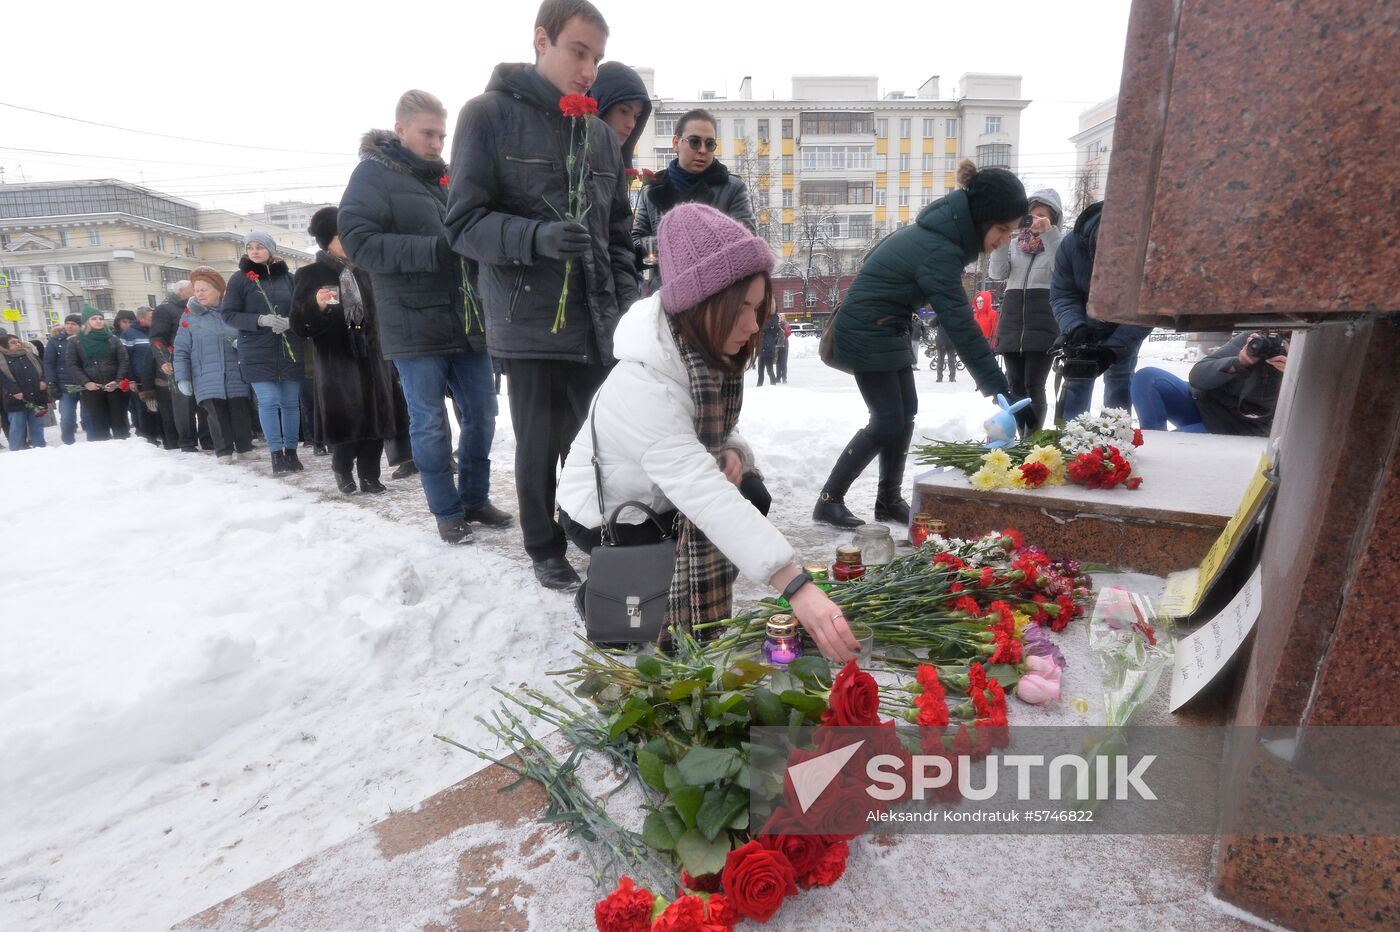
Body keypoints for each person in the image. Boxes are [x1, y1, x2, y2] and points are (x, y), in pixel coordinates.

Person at [556, 204, 860, 660]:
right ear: (702, 306)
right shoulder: (645, 385)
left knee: (750, 493)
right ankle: (597, 592)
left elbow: (716, 430)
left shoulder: (694, 353)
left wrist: (733, 449)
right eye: (740, 309)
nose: (753, 325)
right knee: (637, 619)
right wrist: (795, 583)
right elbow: (702, 492)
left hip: (662, 496)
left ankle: (661, 577)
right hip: (608, 516)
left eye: (758, 308)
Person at [445, 0, 638, 588]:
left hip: (597, 318)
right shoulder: (487, 116)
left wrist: (625, 303)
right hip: (528, 317)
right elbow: (463, 223)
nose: (589, 70)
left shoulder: (601, 138)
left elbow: (618, 233)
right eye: (579, 51)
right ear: (541, 40)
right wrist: (535, 237)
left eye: (597, 58)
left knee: (600, 440)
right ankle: (544, 546)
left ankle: (594, 531)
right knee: (539, 441)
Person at [814, 160, 1024, 528]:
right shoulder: (939, 249)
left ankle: (888, 500)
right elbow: (959, 323)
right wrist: (996, 383)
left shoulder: (944, 238)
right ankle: (829, 499)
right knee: (886, 420)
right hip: (866, 328)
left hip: (888, 327)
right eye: (1002, 229)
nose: (1004, 239)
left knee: (905, 411)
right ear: (980, 218)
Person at [341, 90, 510, 544]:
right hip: (412, 324)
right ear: (400, 130)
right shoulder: (372, 175)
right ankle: (447, 510)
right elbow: (358, 241)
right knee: (430, 421)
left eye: (441, 134)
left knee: (482, 415)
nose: (437, 142)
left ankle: (475, 498)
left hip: (465, 320)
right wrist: (436, 250)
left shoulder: (445, 180)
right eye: (427, 133)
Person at [291, 207, 414, 495]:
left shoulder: (368, 270)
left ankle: (370, 474)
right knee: (347, 419)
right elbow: (298, 324)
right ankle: (342, 467)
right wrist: (316, 307)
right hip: (338, 359)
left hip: (373, 356)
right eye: (341, 234)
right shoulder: (311, 274)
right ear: (327, 240)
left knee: (377, 418)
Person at [1049, 200, 1152, 420]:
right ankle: (1071, 440)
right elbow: (1063, 294)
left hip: (1126, 325)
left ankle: (1117, 443)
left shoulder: (1145, 250)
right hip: (1083, 325)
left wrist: (1113, 350)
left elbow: (1147, 308)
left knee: (1120, 380)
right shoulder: (1071, 246)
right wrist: (1075, 328)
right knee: (1077, 379)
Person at [632, 108, 756, 279]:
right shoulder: (652, 190)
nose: (703, 150)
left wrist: (675, 246)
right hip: (666, 294)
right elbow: (636, 248)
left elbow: (745, 247)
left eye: (710, 143)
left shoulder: (732, 188)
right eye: (695, 142)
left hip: (715, 295)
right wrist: (668, 251)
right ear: (676, 143)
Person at [221, 231, 305, 475]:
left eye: (260, 246)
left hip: (289, 348)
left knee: (290, 403)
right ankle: (276, 454)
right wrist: (261, 319)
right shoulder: (239, 279)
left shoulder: (289, 279)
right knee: (268, 401)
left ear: (271, 249)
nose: (254, 251)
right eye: (250, 247)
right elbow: (229, 314)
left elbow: (302, 310)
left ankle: (291, 452)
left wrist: (292, 322)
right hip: (256, 350)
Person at [989, 188, 1063, 434]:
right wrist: (1001, 240)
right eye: (1032, 215)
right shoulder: (1013, 245)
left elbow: (1060, 269)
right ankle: (1019, 439)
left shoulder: (1059, 243)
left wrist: (1050, 234)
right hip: (1012, 323)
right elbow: (997, 274)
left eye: (1043, 215)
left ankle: (1031, 441)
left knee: (1034, 385)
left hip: (1043, 325)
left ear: (1054, 218)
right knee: (1014, 386)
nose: (1036, 220)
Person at [1132, 332, 1288, 436]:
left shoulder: (1303, 363)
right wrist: (1238, 363)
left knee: (1176, 442)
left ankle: (1163, 452)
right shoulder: (1254, 340)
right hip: (1203, 403)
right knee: (1146, 377)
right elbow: (1197, 376)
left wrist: (1292, 375)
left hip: (1234, 426)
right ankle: (1153, 442)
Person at [175, 268, 254, 464]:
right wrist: (182, 376)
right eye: (197, 290)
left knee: (240, 411)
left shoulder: (232, 312)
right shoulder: (189, 317)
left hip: (235, 371)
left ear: (218, 291)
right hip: (205, 374)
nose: (199, 293)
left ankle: (244, 447)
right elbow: (181, 349)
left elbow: (248, 337)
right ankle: (223, 451)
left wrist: (241, 345)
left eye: (204, 290)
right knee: (216, 414)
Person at [151, 281, 211, 452]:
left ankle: (208, 439)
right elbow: (157, 337)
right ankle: (187, 441)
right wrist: (163, 360)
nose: (199, 292)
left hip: (202, 361)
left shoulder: (201, 307)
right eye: (195, 289)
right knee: (183, 405)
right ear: (183, 291)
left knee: (205, 402)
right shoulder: (165, 309)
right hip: (177, 361)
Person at [66, 307, 131, 441]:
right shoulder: (75, 341)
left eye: (100, 318)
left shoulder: (113, 339)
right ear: (86, 321)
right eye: (94, 319)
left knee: (120, 422)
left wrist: (117, 381)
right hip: (92, 388)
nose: (98, 321)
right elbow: (73, 365)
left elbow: (124, 361)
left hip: (114, 387)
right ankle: (105, 453)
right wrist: (86, 382)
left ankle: (125, 450)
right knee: (99, 424)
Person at [593, 61, 652, 169]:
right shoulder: (570, 163)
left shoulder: (619, 169)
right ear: (600, 106)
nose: (632, 125)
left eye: (636, 116)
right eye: (624, 111)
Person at [0, 334, 48, 449]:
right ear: (4, 345)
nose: (17, 344)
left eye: (18, 341)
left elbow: (44, 368)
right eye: (13, 342)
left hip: (36, 396)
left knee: (37, 426)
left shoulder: (29, 355)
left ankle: (40, 449)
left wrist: (43, 381)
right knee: (17, 427)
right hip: (16, 399)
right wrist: (14, 390)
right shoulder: (2, 359)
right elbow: (2, 378)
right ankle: (17, 452)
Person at [44, 314, 86, 445]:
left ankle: (94, 442)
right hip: (65, 386)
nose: (69, 326)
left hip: (86, 384)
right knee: (67, 416)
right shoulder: (55, 341)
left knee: (89, 416)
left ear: (81, 326)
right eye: (67, 323)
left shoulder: (86, 340)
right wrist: (51, 383)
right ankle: (68, 443)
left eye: (73, 324)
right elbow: (48, 363)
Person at [121, 307, 157, 442]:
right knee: (144, 410)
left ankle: (157, 434)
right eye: (150, 318)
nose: (153, 321)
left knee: (156, 409)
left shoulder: (154, 331)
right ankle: (148, 438)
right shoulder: (128, 334)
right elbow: (125, 359)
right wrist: (130, 380)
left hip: (155, 377)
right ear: (141, 319)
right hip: (139, 379)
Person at [756, 313, 781, 386]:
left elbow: (774, 328)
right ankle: (758, 387)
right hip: (762, 349)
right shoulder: (764, 318)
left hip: (769, 349)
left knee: (769, 370)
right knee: (760, 372)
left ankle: (773, 386)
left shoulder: (774, 318)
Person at [775, 318, 791, 383]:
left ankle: (784, 378)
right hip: (778, 345)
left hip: (784, 345)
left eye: (782, 318)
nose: (781, 320)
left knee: (783, 362)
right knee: (778, 362)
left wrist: (783, 327)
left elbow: (788, 333)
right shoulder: (777, 325)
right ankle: (778, 377)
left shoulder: (786, 325)